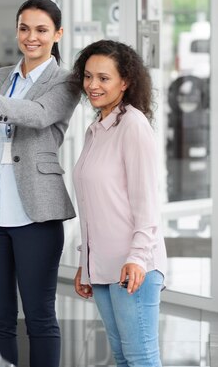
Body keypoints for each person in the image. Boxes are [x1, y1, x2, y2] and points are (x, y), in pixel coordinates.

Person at [0, 0, 80, 367]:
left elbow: (38, 115)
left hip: (36, 212)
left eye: (42, 30)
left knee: (40, 319)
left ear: (57, 34)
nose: (31, 37)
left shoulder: (67, 82)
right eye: (24, 28)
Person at [71, 40, 167, 367]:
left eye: (103, 78)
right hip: (102, 270)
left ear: (124, 82)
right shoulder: (96, 129)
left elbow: (147, 202)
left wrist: (138, 258)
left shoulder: (133, 126)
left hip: (132, 268)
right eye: (88, 77)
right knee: (124, 359)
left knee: (141, 360)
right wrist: (86, 264)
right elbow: (93, 206)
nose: (93, 85)